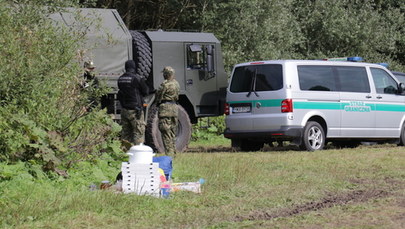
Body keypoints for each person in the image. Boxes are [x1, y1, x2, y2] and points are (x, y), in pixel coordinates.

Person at [117, 60, 149, 146]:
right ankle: (138, 156)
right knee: (138, 134)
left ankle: (124, 156)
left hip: (124, 110)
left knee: (125, 136)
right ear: (134, 67)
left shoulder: (120, 79)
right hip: (135, 111)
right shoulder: (137, 78)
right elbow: (146, 91)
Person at [155, 66, 180, 156]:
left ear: (165, 74)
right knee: (173, 132)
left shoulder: (164, 84)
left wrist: (158, 103)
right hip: (174, 108)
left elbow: (158, 96)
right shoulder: (176, 84)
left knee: (166, 132)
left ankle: (169, 154)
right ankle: (174, 152)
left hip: (165, 109)